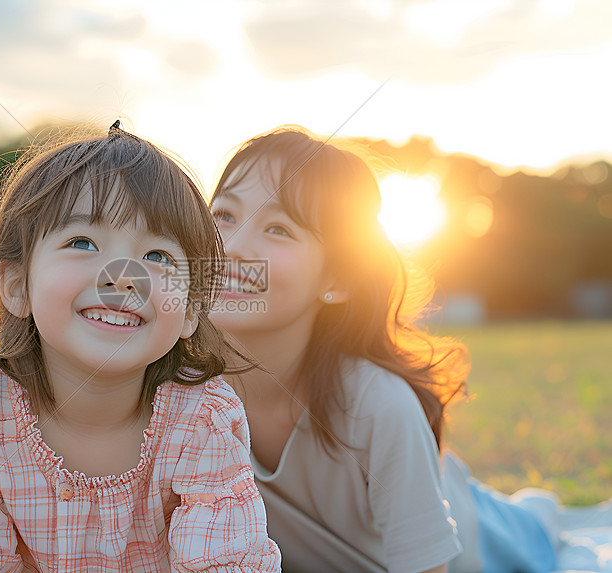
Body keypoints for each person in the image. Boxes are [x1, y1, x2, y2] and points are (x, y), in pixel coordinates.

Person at [0, 124, 281, 572]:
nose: (124, 275)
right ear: (16, 286)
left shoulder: (202, 418)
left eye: (157, 256)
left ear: (189, 310)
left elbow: (223, 563)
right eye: (82, 243)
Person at [208, 125, 559, 573]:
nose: (232, 249)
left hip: (479, 541)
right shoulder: (177, 386)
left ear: (335, 281)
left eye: (278, 228)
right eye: (223, 216)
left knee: (533, 528)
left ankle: (536, 511)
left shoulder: (378, 406)